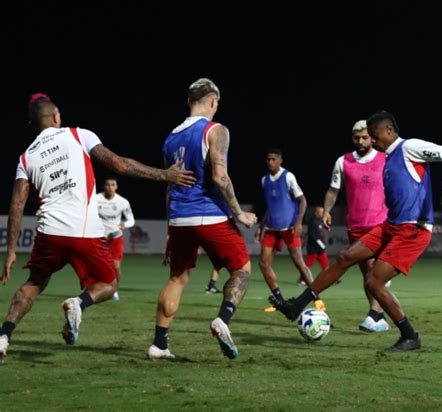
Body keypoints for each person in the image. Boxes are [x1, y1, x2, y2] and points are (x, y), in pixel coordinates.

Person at [0, 93, 195, 363]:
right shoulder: (79, 135)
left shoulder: (26, 157)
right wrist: (164, 175)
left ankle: (3, 337)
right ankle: (78, 304)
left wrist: (11, 251)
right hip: (84, 232)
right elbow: (118, 164)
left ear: (34, 125)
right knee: (109, 283)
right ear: (56, 117)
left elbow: (16, 204)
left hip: (49, 232)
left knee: (34, 283)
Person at [270, 110, 442, 351]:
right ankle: (297, 305)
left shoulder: (409, 147)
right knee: (345, 257)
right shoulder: (387, 158)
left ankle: (409, 335)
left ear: (389, 131)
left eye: (374, 134)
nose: (371, 140)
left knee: (373, 281)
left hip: (413, 230)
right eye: (368, 136)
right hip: (391, 226)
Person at [150, 78, 257, 361]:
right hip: (209, 215)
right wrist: (239, 213)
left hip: (179, 219)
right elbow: (220, 177)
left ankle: (159, 345)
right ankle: (223, 319)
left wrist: (170, 229)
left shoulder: (170, 137)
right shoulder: (216, 130)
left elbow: (169, 184)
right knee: (242, 269)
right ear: (212, 101)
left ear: (189, 102)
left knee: (177, 278)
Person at [322, 120, 392, 333]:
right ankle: (379, 317)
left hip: (380, 224)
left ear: (372, 137)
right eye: (356, 138)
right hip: (355, 226)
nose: (360, 141)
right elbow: (333, 190)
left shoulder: (385, 159)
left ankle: (372, 315)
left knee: (374, 273)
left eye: (364, 137)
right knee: (367, 276)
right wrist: (326, 210)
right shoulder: (343, 162)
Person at [255, 148, 325, 313]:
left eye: (273, 159)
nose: (270, 162)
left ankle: (317, 299)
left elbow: (302, 200)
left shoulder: (288, 176)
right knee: (263, 263)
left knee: (299, 264)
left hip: (289, 228)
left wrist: (299, 222)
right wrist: (261, 226)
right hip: (272, 229)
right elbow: (269, 207)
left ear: (280, 160)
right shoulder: (264, 180)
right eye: (268, 159)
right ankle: (279, 300)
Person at [97, 176, 135, 301]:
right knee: (98, 266)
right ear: (104, 186)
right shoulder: (96, 199)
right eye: (108, 184)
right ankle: (96, 289)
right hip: (100, 237)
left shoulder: (123, 202)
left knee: (116, 265)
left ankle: (114, 290)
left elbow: (131, 220)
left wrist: (125, 224)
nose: (110, 187)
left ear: (116, 187)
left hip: (116, 238)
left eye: (113, 184)